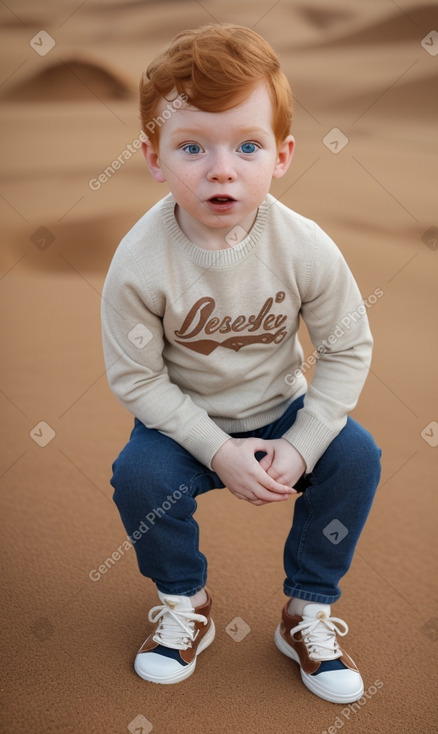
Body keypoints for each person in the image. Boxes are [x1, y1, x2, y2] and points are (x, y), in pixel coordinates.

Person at [101, 23, 381, 704]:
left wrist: (305, 441)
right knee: (137, 477)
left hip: (282, 408)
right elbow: (137, 377)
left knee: (356, 457)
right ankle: (184, 603)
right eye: (192, 147)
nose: (221, 168)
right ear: (154, 157)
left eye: (247, 146)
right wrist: (217, 450)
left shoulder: (304, 247)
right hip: (185, 424)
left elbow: (346, 346)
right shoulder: (140, 262)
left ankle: (306, 612)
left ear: (281, 156)